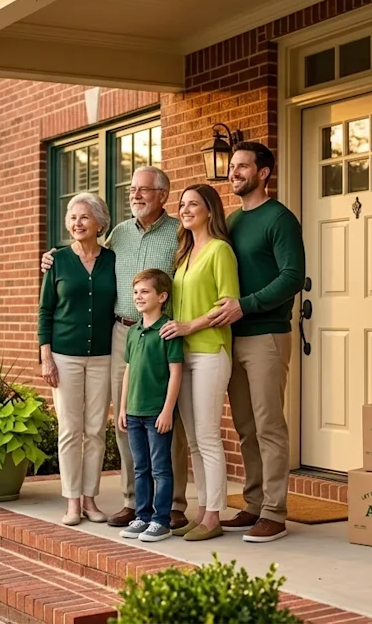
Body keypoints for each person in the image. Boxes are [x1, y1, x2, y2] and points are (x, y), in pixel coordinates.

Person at [41, 166, 191, 530]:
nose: (136, 195)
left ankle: (172, 503)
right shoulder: (119, 236)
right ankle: (132, 499)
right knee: (124, 419)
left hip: (161, 335)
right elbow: (73, 272)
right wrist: (50, 258)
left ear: (162, 195)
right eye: (133, 190)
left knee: (166, 419)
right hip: (121, 334)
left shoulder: (178, 233)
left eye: (144, 190)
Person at [209, 141, 306, 543]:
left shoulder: (279, 219)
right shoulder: (230, 222)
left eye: (243, 167)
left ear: (263, 173)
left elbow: (292, 277)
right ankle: (252, 504)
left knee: (269, 425)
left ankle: (275, 512)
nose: (234, 173)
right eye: (232, 166)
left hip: (266, 335)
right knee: (245, 427)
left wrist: (244, 306)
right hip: (232, 337)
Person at [160, 183, 239, 542]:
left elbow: (227, 306)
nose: (186, 209)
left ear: (210, 210)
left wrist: (190, 325)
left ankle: (214, 515)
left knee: (207, 435)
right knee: (192, 438)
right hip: (185, 354)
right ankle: (203, 510)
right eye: (183, 204)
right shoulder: (184, 253)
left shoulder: (220, 251)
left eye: (194, 204)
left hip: (209, 349)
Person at [38, 192, 117, 526]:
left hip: (103, 355)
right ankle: (72, 501)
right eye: (72, 217)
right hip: (64, 357)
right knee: (70, 429)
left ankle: (90, 498)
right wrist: (46, 357)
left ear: (99, 223)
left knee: (96, 430)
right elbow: (45, 310)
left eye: (84, 217)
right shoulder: (57, 261)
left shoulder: (112, 260)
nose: (77, 223)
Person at [117, 269, 184, 543]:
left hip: (157, 413)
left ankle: (161, 520)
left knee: (160, 468)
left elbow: (176, 372)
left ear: (162, 296)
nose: (138, 297)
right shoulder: (133, 332)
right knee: (140, 468)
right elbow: (128, 371)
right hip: (133, 413)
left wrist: (168, 410)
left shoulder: (169, 330)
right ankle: (142, 517)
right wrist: (122, 408)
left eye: (145, 292)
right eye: (135, 292)